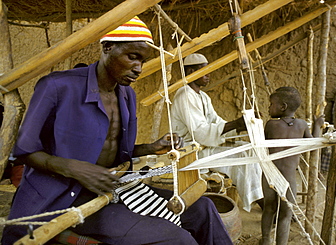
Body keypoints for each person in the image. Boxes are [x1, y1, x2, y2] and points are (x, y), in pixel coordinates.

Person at [2, 17, 233, 245]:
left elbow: (111, 152)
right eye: (132, 57)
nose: (139, 68)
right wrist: (76, 169)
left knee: (203, 209)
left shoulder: (126, 95)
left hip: (115, 188)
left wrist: (151, 148)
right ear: (107, 47)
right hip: (68, 197)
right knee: (177, 239)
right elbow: (23, 151)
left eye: (142, 61)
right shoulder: (57, 86)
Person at [170, 53, 264, 212]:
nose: (208, 75)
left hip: (204, 146)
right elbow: (200, 133)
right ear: (191, 71)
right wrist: (235, 123)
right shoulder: (185, 95)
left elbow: (217, 122)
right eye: (204, 71)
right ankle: (263, 202)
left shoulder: (203, 97)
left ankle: (259, 195)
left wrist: (240, 126)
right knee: (243, 155)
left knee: (248, 148)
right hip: (190, 153)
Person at [262, 87, 324, 245]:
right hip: (289, 178)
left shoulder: (270, 125)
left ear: (282, 107)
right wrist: (317, 124)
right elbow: (313, 143)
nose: (269, 108)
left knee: (269, 209)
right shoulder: (302, 125)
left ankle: (265, 241)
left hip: (269, 175)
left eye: (271, 104)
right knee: (285, 214)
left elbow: (262, 145)